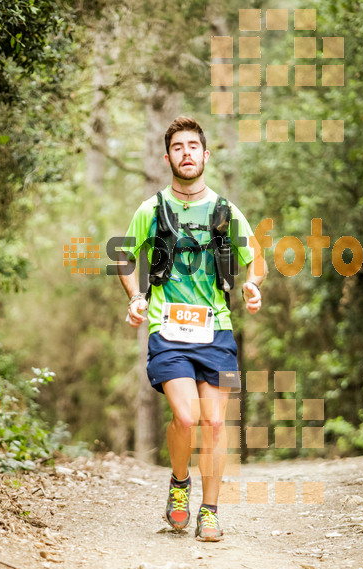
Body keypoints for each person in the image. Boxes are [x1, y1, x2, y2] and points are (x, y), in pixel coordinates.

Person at [118, 116, 266, 542]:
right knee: (185, 417)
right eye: (178, 147)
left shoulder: (224, 211)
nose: (186, 153)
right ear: (168, 158)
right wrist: (135, 298)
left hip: (216, 331)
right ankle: (180, 485)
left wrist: (253, 286)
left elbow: (256, 260)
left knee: (216, 425)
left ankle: (211, 511)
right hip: (167, 331)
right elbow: (124, 258)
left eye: (193, 146)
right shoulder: (152, 209)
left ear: (205, 155)